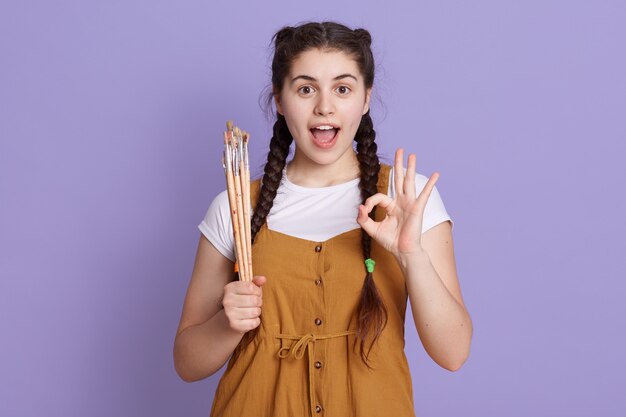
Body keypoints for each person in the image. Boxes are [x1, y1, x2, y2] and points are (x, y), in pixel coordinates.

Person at [173, 21, 472, 417]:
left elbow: (453, 354)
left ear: (366, 99)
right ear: (280, 100)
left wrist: (411, 255)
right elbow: (187, 363)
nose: (325, 107)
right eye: (305, 88)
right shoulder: (235, 206)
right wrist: (227, 324)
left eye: (342, 89)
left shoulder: (406, 198)